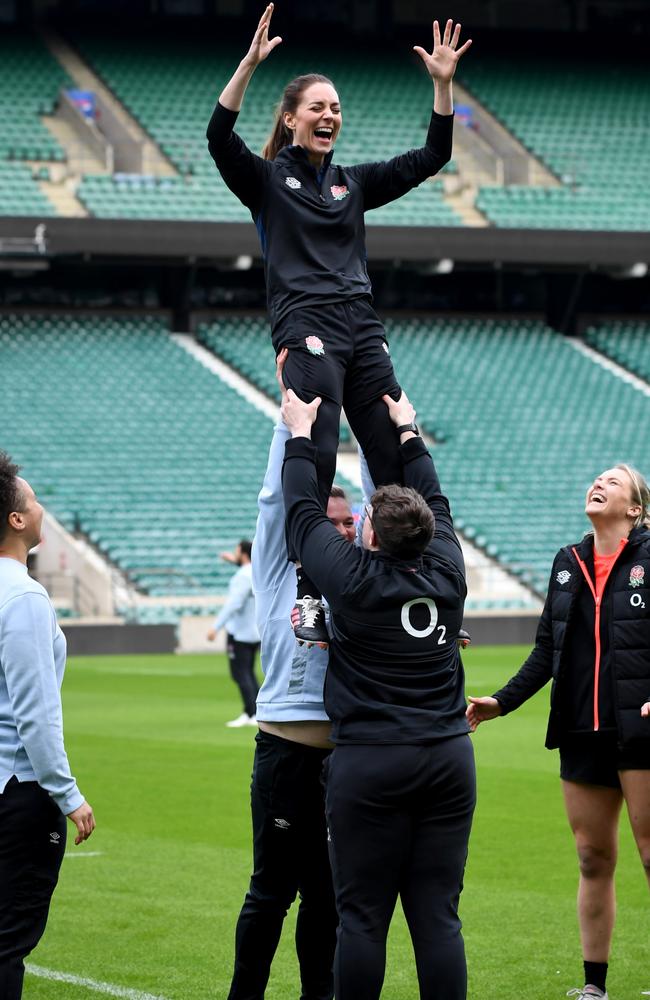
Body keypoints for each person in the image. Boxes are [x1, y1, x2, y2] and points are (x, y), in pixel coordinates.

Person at [207, 4, 471, 645]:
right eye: (318, 107)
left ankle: (425, 583)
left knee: (395, 452)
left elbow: (434, 153)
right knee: (316, 452)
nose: (330, 116)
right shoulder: (268, 181)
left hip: (363, 325)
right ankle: (307, 594)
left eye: (337, 108)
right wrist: (248, 65)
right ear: (291, 117)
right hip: (306, 324)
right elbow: (219, 136)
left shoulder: (353, 184)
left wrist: (442, 84)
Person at [279, 381, 476, 1000]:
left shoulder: (352, 578)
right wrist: (408, 429)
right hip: (447, 755)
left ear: (369, 534)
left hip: (369, 759)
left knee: (362, 919)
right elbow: (436, 497)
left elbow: (302, 510)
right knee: (438, 917)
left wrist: (301, 434)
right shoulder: (448, 570)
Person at [467, 465, 650, 1000]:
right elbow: (548, 648)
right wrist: (502, 701)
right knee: (592, 857)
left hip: (639, 730)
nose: (600, 484)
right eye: (597, 479)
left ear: (635, 509)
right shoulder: (566, 562)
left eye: (614, 482)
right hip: (580, 730)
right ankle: (595, 985)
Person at [226, 405, 357, 1000]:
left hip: (348, 760)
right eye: (331, 522)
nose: (344, 531)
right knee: (270, 891)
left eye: (351, 522)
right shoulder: (279, 574)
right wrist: (289, 427)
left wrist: (386, 421)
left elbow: (397, 508)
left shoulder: (365, 578)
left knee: (328, 897)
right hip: (284, 755)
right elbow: (273, 504)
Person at [0, 451, 95, 1000]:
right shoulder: (24, 598)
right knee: (7, 943)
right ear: (16, 519)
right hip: (18, 794)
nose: (40, 509)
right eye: (33, 501)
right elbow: (34, 715)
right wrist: (68, 794)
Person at [207, 539, 260, 728]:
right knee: (248, 672)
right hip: (255, 632)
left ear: (243, 553)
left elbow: (234, 603)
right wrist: (234, 561)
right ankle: (253, 711)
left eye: (236, 551)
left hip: (240, 633)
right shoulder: (257, 570)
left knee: (240, 673)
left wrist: (216, 626)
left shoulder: (242, 576)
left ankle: (252, 713)